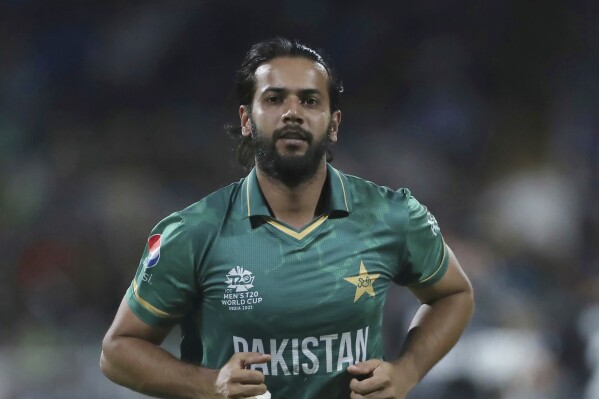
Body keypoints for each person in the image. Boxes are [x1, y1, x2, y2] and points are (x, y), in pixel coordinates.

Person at [100, 37, 475, 399]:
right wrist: (209, 384)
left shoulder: (390, 215)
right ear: (247, 119)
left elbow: (454, 294)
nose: (292, 112)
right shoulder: (193, 232)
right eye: (274, 99)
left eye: (310, 101)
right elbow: (118, 350)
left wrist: (407, 371)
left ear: (334, 124)